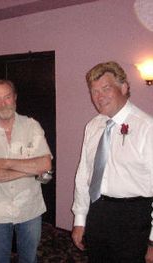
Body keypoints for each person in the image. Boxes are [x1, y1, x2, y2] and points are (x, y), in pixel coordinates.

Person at [72, 61, 153, 262]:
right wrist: (80, 219)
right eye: (94, 91)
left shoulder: (146, 128)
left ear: (124, 87)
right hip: (98, 211)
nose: (99, 96)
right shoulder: (93, 126)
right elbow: (83, 175)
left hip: (133, 217)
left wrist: (152, 241)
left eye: (106, 88)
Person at [0, 79, 52, 263]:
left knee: (29, 259)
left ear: (15, 98)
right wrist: (29, 170)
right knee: (0, 258)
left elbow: (46, 165)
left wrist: (6, 162)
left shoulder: (32, 126)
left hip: (30, 209)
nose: (3, 103)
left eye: (7, 97)